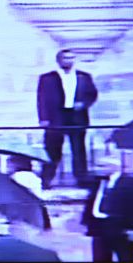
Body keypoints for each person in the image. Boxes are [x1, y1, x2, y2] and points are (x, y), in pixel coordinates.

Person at [37, 48, 99, 188]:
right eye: (65, 58)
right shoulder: (48, 78)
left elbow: (92, 94)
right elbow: (42, 99)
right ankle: (47, 179)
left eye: (71, 58)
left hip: (77, 116)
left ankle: (82, 178)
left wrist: (83, 104)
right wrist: (43, 118)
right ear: (59, 60)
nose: (69, 61)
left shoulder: (84, 76)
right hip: (56, 117)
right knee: (52, 150)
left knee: (78, 149)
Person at [81, 160, 133, 262]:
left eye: (102, 166)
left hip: (120, 227)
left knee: (125, 256)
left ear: (113, 167)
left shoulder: (131, 183)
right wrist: (85, 222)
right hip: (99, 227)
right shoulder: (97, 182)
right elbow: (91, 202)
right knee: (100, 257)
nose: (97, 169)